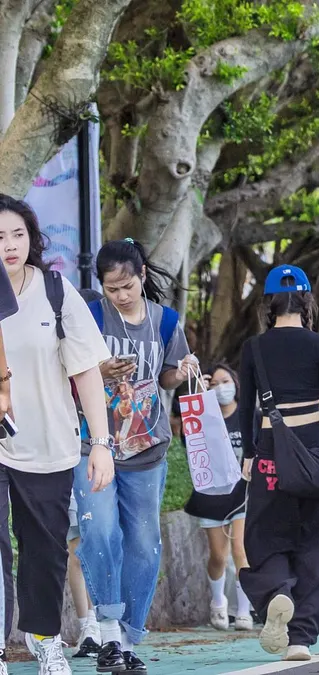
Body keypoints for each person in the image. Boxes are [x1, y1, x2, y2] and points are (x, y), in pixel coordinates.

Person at [0, 195, 114, 675]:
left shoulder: (55, 290)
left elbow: (86, 369)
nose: (8, 245)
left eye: (17, 234)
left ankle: (44, 637)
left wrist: (102, 443)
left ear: (32, 236)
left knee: (45, 551)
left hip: (48, 443)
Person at [75, 239, 198, 674]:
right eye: (112, 289)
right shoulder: (89, 315)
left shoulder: (166, 322)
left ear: (142, 275)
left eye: (127, 285)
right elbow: (66, 368)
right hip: (93, 444)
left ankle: (128, 639)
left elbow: (166, 376)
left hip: (147, 449)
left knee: (144, 545)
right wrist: (99, 371)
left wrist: (178, 373)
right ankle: (108, 633)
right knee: (100, 532)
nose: (121, 295)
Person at [239, 265, 319, 662]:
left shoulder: (254, 348)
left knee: (265, 535)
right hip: (316, 449)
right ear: (306, 300)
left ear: (269, 303)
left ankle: (276, 592)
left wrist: (249, 454)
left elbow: (246, 407)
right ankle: (300, 637)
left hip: (270, 451)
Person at [183, 363, 253, 632]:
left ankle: (244, 612)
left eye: (226, 382)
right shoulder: (203, 417)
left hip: (242, 494)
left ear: (236, 384)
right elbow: (190, 445)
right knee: (219, 557)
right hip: (211, 497)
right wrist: (199, 391)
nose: (222, 388)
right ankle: (218, 601)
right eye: (215, 384)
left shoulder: (248, 415)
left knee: (241, 552)